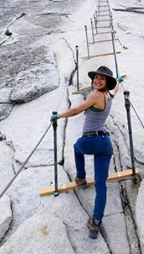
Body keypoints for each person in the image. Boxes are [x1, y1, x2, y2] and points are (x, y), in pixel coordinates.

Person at [51, 66, 122, 239]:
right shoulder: (108, 95)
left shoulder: (95, 95)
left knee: (76, 147)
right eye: (96, 78)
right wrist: (118, 83)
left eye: (101, 79)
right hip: (105, 144)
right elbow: (115, 91)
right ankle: (96, 222)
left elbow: (76, 110)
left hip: (91, 141)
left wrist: (58, 116)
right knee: (101, 185)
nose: (97, 81)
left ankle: (81, 178)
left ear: (105, 83)